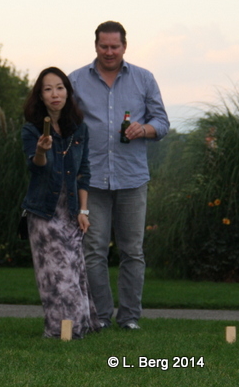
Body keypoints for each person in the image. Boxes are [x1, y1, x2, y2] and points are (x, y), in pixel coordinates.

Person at [69, 21, 170, 330]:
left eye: (115, 46)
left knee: (132, 252)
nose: (109, 52)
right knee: (93, 251)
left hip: (132, 178)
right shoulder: (76, 80)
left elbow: (162, 122)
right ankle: (100, 316)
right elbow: (65, 124)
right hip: (91, 181)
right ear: (96, 46)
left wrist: (145, 129)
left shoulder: (143, 78)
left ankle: (129, 318)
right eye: (104, 46)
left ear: (125, 46)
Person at [21, 67, 99, 338]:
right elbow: (36, 167)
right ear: (40, 96)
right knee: (57, 274)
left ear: (67, 92)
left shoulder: (79, 129)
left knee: (75, 271)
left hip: (71, 211)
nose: (55, 94)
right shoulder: (31, 130)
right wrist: (41, 151)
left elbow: (83, 172)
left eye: (60, 87)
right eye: (48, 89)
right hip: (43, 212)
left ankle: (80, 325)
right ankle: (62, 330)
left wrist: (83, 211)